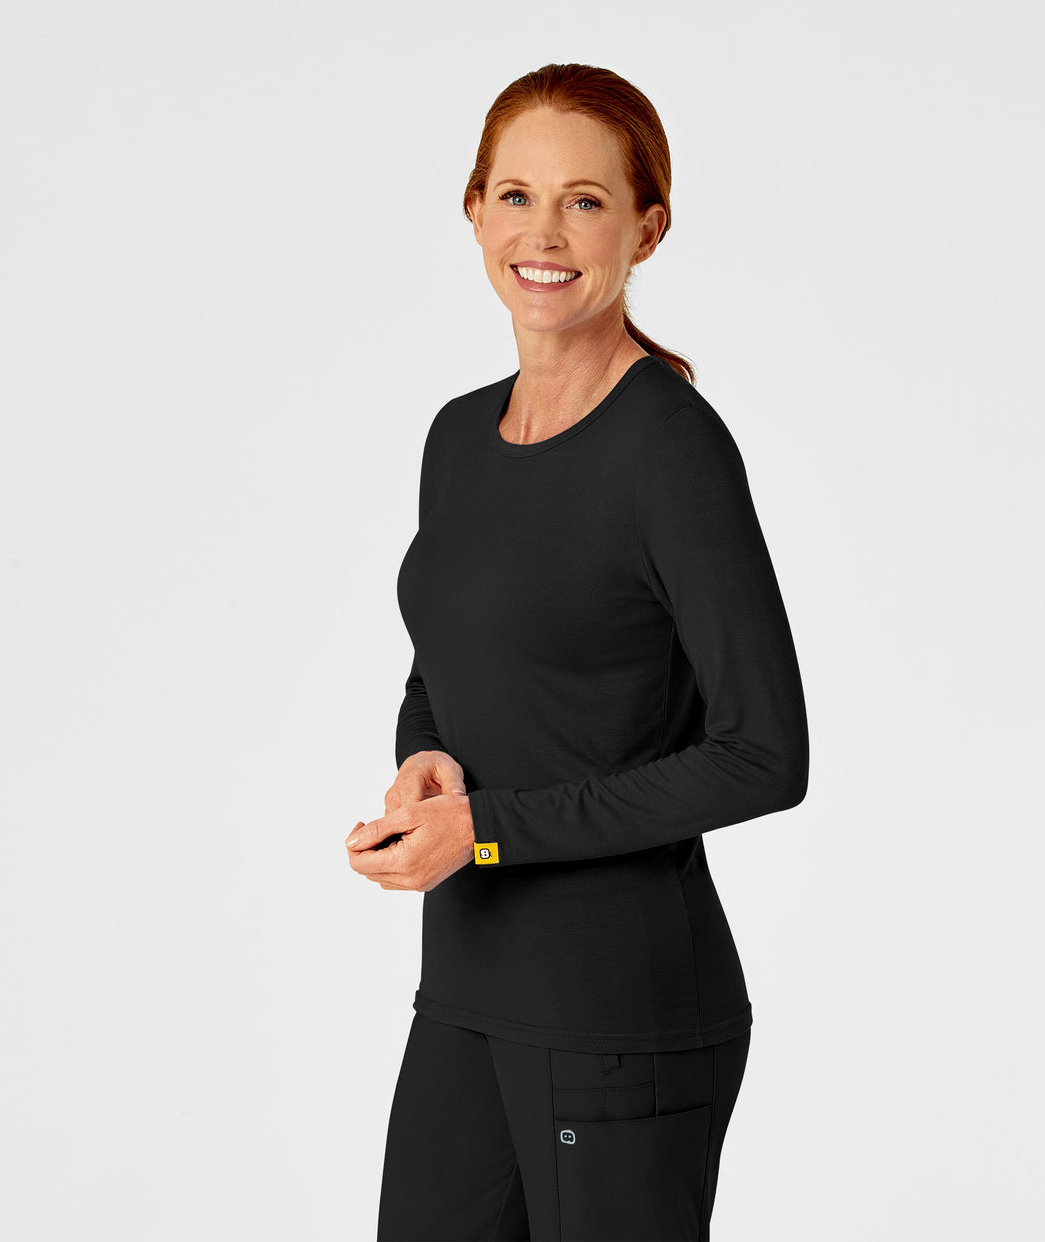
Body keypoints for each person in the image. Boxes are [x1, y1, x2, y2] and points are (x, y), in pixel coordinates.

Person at [346, 62, 810, 1242]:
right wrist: (426, 760)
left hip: (619, 1014)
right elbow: (443, 666)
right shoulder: (459, 437)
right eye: (516, 195)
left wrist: (486, 829)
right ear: (474, 211)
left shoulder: (670, 449)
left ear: (646, 229)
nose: (543, 233)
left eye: (585, 201)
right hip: (467, 990)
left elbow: (765, 754)